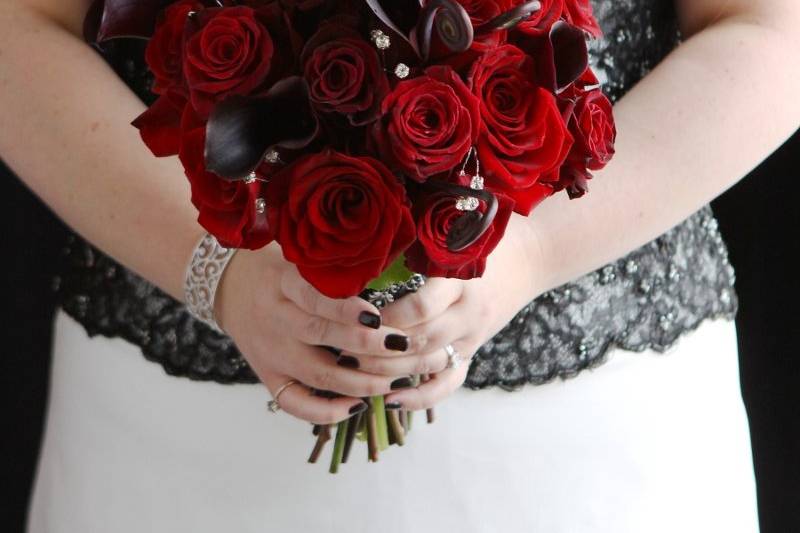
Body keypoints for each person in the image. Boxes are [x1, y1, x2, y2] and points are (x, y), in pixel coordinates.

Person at [1, 0, 797, 531]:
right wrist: (213, 266)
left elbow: (771, 31)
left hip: (593, 442)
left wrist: (531, 249)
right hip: (171, 444)